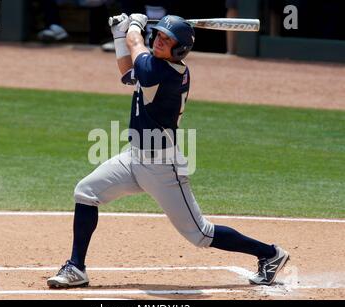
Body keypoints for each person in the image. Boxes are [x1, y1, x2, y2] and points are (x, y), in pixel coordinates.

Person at [47, 13, 290, 288]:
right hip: (134, 157)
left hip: (163, 167)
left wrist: (135, 26)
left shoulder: (162, 72)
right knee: (86, 192)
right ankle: (76, 267)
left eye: (167, 39)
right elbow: (128, 73)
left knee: (200, 233)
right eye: (159, 36)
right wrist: (119, 34)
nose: (160, 41)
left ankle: (269, 254)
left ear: (181, 48)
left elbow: (136, 46)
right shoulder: (154, 66)